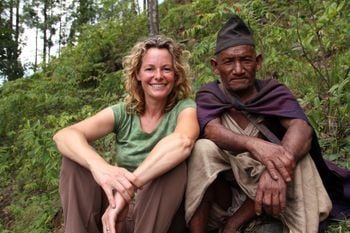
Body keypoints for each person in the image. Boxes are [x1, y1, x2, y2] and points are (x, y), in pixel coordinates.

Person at [185, 15, 350, 233]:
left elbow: (301, 127)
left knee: (299, 154)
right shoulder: (210, 95)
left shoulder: (274, 91)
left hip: (276, 190)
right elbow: (211, 129)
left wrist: (276, 171)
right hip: (229, 192)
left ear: (258, 61)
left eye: (245, 60)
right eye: (229, 62)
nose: (238, 69)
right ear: (216, 66)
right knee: (202, 148)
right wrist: (255, 145)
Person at [53, 35, 200, 233]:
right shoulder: (124, 112)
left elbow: (183, 141)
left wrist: (127, 190)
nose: (158, 76)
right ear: (138, 74)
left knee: (173, 166)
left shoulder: (184, 108)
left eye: (166, 69)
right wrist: (99, 167)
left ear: (176, 74)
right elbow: (64, 135)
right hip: (115, 215)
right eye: (149, 69)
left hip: (157, 217)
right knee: (74, 161)